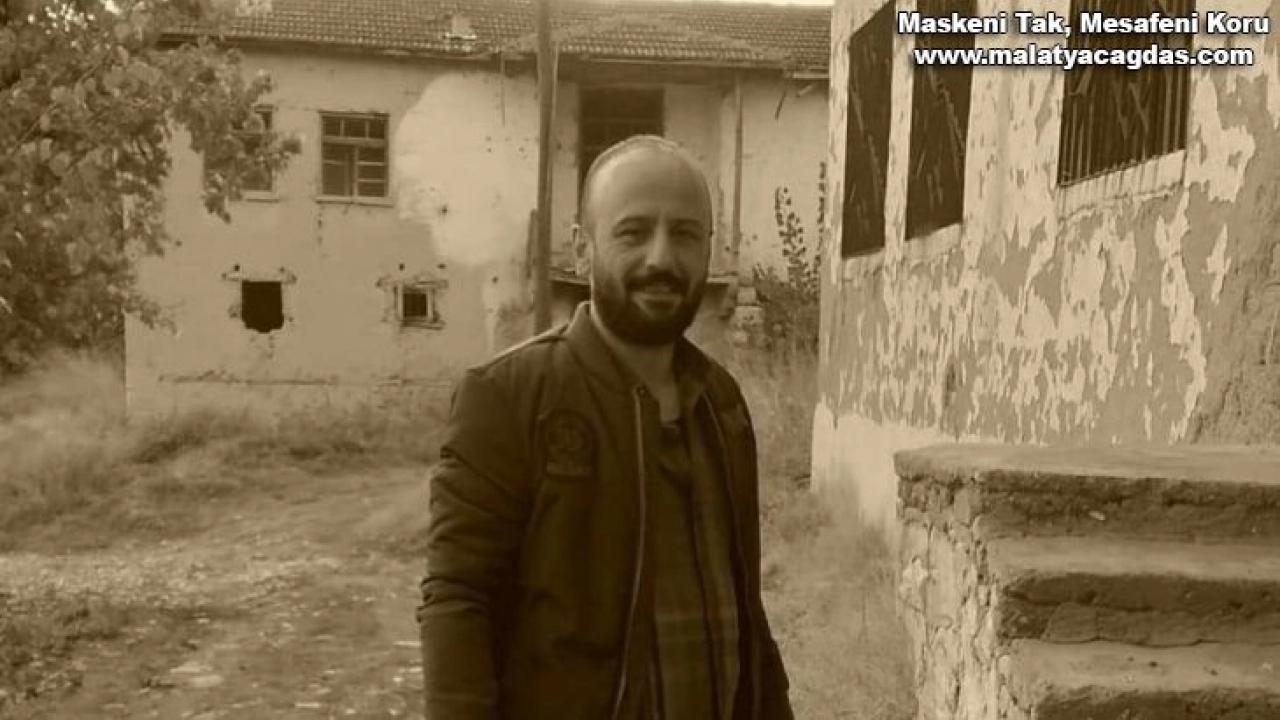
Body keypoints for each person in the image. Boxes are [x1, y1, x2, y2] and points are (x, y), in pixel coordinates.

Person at [416, 135, 793, 720]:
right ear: (581, 247)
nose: (661, 258)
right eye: (633, 232)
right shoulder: (508, 398)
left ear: (709, 248)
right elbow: (458, 600)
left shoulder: (721, 404)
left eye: (685, 234)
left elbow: (745, 609)